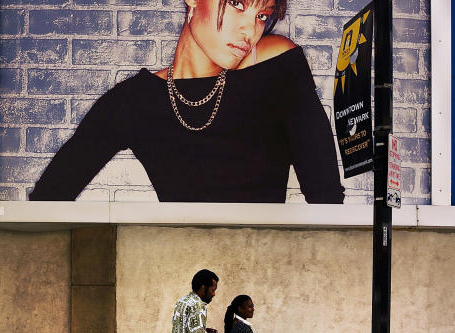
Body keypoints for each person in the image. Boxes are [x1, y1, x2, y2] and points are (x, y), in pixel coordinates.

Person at [28, 0, 344, 204]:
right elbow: (47, 200)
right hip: (179, 271)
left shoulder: (278, 66)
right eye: (237, 4)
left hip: (268, 271)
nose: (249, 30)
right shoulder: (134, 102)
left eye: (262, 15)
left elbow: (326, 198)